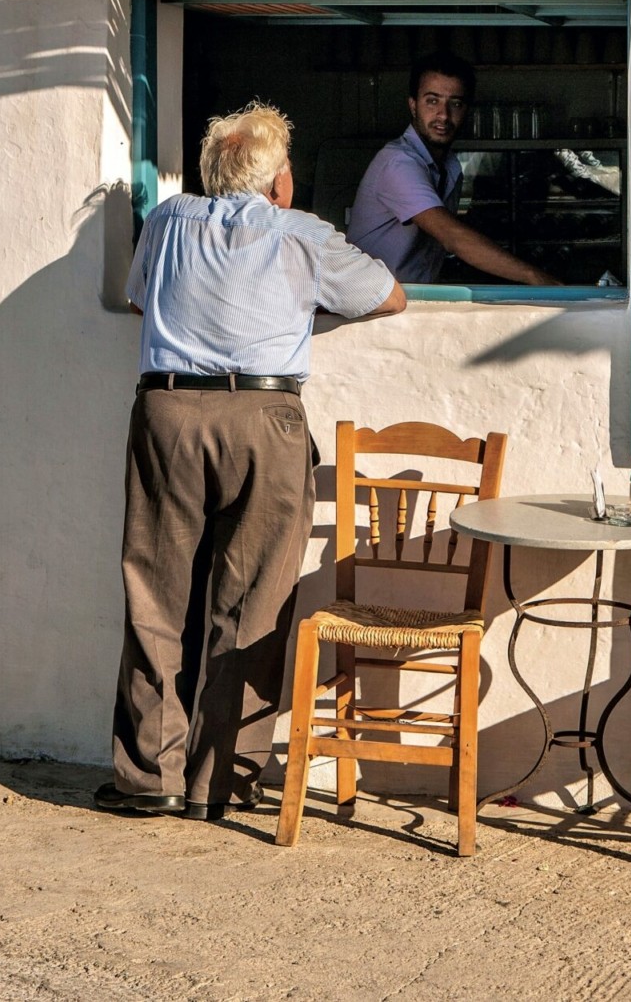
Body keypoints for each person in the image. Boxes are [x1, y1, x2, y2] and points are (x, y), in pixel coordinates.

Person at [99, 102, 405, 820]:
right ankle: (219, 780)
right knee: (254, 602)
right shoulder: (301, 234)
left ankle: (152, 777)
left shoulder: (169, 221)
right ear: (281, 181)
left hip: (169, 410)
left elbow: (140, 298)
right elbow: (389, 296)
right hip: (265, 418)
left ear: (211, 173)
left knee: (156, 593)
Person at [346, 51, 559, 285]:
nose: (443, 116)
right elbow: (452, 238)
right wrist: (536, 278)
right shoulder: (398, 163)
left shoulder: (449, 166)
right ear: (413, 105)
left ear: (466, 109)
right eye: (432, 101)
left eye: (455, 103)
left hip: (412, 300)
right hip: (372, 309)